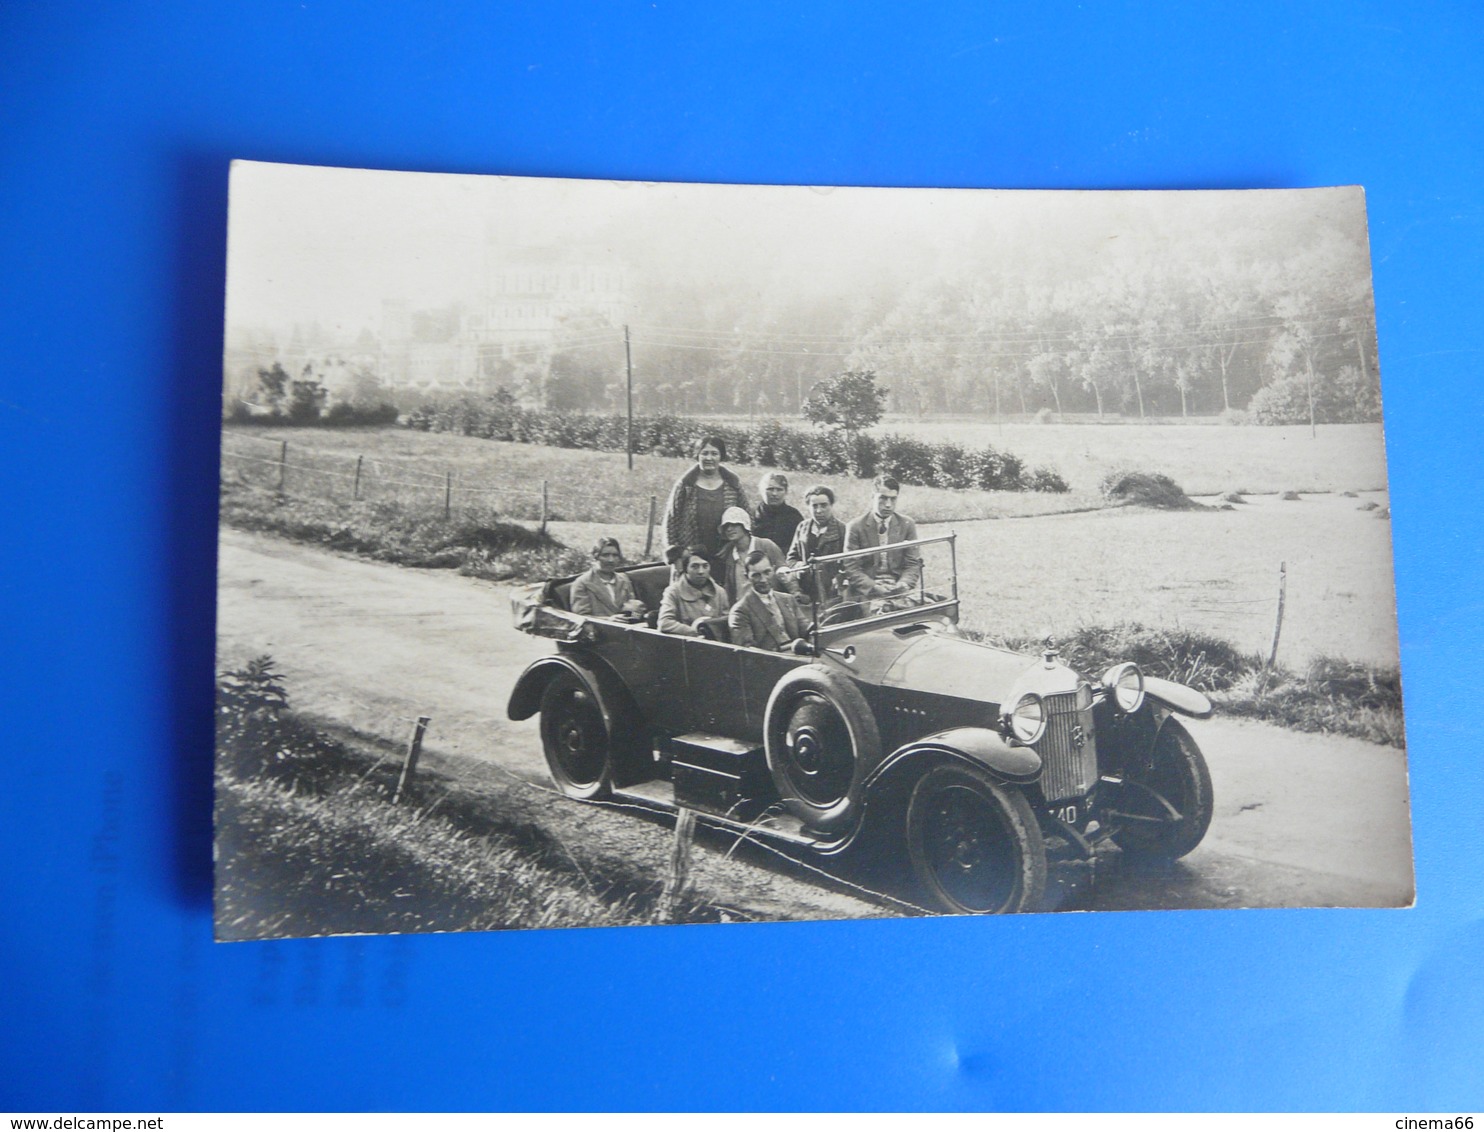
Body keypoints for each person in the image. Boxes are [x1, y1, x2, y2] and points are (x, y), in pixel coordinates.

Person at [663, 436, 748, 562]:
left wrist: (736, 544)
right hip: (691, 556)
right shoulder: (686, 484)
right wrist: (677, 554)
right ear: (697, 455)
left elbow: (747, 518)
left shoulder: (733, 484)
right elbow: (671, 521)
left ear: (721, 456)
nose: (709, 458)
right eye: (704, 453)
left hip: (725, 555)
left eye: (714, 454)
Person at [843, 474, 922, 603]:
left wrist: (904, 584)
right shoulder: (855, 527)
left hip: (898, 587)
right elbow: (851, 568)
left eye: (893, 499)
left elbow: (913, 563)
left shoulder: (907, 524)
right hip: (866, 590)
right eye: (883, 498)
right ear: (872, 497)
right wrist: (874, 587)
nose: (888, 505)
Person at [728, 551, 812, 653]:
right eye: (756, 575)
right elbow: (747, 653)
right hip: (773, 663)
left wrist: (815, 633)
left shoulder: (788, 599)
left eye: (767, 572)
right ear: (747, 577)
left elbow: (806, 629)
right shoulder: (740, 611)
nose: (763, 580)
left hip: (801, 655)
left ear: (773, 570)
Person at [785, 484, 847, 605]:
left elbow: (848, 562)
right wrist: (798, 566)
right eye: (814, 506)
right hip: (805, 589)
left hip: (831, 591)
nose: (819, 511)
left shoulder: (842, 530)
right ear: (808, 507)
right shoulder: (802, 528)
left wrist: (839, 579)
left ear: (831, 505)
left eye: (824, 505)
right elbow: (791, 558)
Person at [714, 505, 785, 606]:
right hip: (744, 610)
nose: (729, 529)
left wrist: (796, 593)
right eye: (726, 526)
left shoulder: (766, 545)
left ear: (745, 526)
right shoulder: (727, 556)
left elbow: (784, 572)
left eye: (734, 524)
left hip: (770, 605)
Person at [569, 537, 646, 619]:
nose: (611, 560)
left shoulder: (624, 579)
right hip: (598, 630)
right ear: (595, 557)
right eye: (605, 555)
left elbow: (632, 611)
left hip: (625, 628)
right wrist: (608, 620)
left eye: (615, 555)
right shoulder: (582, 583)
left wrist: (638, 617)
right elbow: (581, 618)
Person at [658, 546, 727, 636]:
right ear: (685, 569)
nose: (701, 571)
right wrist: (694, 632)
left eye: (705, 566)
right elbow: (665, 623)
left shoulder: (720, 592)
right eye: (695, 566)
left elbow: (727, 620)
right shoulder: (673, 592)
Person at [750, 471, 803, 551]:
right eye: (770, 489)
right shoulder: (751, 515)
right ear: (760, 490)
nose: (774, 494)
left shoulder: (794, 516)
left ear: (786, 492)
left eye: (779, 490)